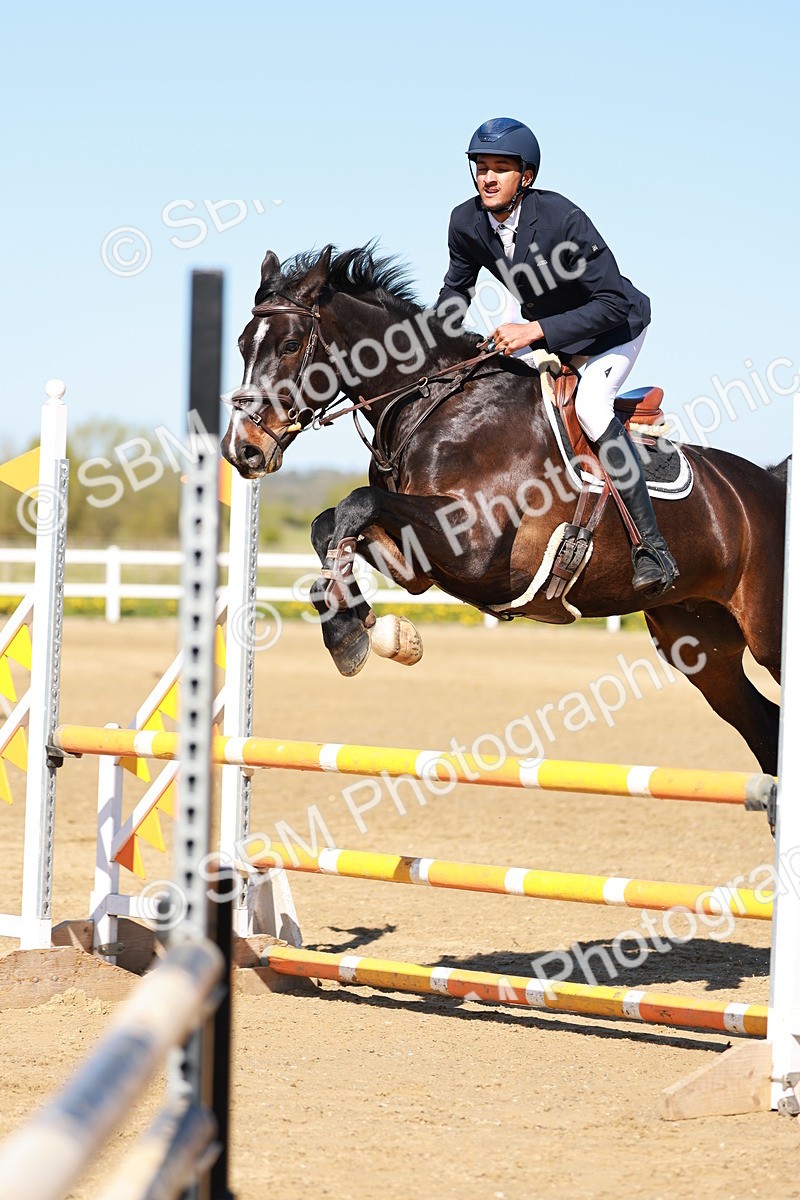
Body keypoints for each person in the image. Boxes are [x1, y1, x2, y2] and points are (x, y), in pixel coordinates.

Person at [436, 116, 679, 597]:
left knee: (590, 406)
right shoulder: (466, 222)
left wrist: (533, 331)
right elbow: (455, 291)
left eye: (500, 168)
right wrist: (435, 348)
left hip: (615, 328)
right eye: (481, 167)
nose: (487, 177)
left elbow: (610, 302)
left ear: (525, 175)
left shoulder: (563, 218)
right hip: (548, 334)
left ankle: (652, 547)